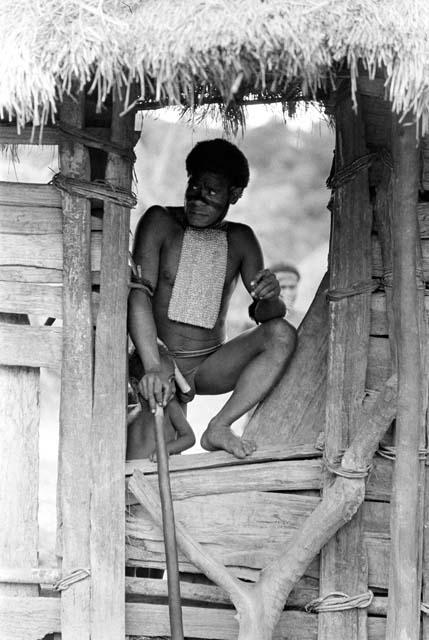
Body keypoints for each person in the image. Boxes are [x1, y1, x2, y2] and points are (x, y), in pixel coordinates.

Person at [128, 138, 297, 459]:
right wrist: (152, 364)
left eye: (212, 191)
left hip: (209, 364)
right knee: (147, 459)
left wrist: (270, 295)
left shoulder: (241, 239)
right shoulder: (160, 222)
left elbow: (267, 315)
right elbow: (138, 296)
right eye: (194, 186)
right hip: (157, 358)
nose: (198, 198)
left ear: (234, 195)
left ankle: (219, 426)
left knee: (281, 334)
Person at [127, 345, 196, 461]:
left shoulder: (171, 407)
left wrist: (166, 449)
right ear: (135, 385)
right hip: (129, 472)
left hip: (161, 469)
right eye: (162, 382)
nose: (172, 388)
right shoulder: (129, 410)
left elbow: (189, 438)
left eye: (172, 380)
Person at [270, 263, 304, 328]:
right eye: (282, 287)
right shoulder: (253, 323)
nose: (288, 293)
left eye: (292, 287)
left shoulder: (306, 319)